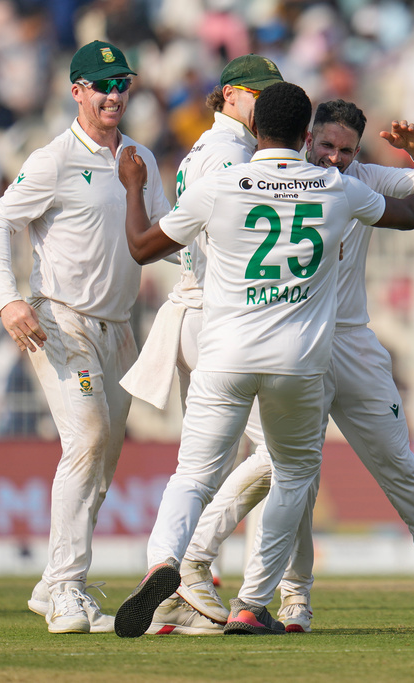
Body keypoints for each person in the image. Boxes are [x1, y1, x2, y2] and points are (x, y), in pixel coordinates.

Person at [111, 81, 414, 638]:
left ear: (256, 131)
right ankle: (253, 601)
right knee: (294, 474)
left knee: (192, 475)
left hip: (225, 356)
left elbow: (143, 247)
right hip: (298, 361)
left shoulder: (222, 183)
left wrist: (133, 186)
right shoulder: (335, 186)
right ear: (305, 136)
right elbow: (412, 212)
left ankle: (165, 561)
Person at [0, 40, 170, 635]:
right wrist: (9, 301)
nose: (115, 94)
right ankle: (65, 586)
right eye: (102, 85)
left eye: (122, 84)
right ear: (77, 91)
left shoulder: (139, 158)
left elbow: (166, 233)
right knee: (86, 438)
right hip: (60, 319)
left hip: (119, 327)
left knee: (105, 456)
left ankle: (53, 582)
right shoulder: (54, 158)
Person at [117, 53, 283, 635]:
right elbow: (221, 234)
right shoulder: (233, 153)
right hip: (222, 317)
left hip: (196, 311)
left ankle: (170, 595)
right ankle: (193, 564)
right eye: (259, 93)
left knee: (207, 465)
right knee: (283, 457)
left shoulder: (205, 149)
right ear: (231, 94)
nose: (267, 102)